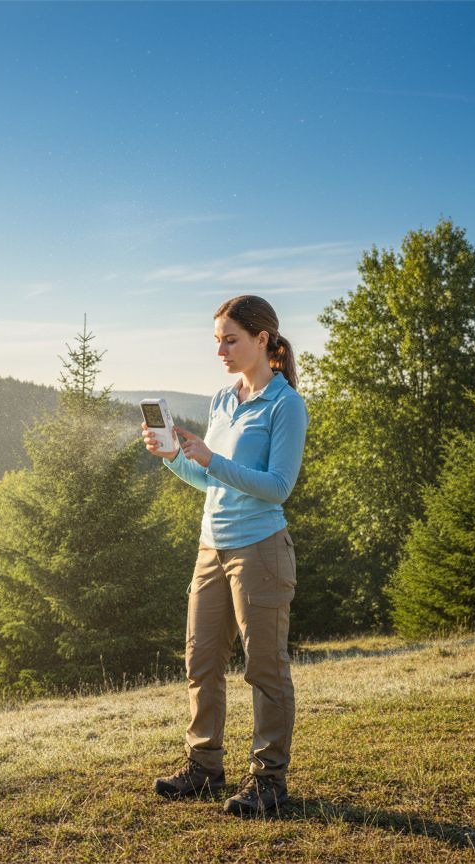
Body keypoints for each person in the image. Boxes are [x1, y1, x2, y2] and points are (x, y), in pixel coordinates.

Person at [142, 294, 308, 817]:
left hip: (260, 548)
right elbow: (207, 477)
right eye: (217, 340)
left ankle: (268, 781)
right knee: (201, 661)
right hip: (210, 547)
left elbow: (278, 486)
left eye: (230, 340)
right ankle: (205, 767)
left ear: (263, 340)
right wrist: (175, 458)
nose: (221, 350)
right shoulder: (221, 399)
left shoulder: (285, 405)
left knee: (264, 668)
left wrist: (212, 457)